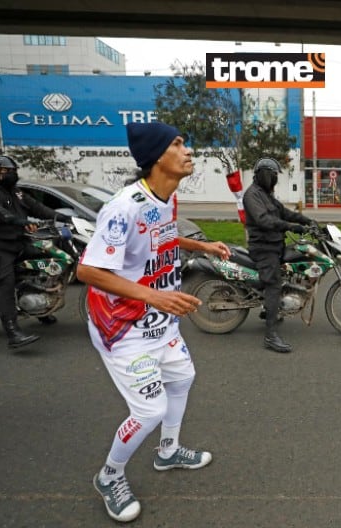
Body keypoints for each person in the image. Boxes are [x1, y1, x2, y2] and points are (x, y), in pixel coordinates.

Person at [77, 122, 232, 523]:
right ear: (157, 157)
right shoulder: (123, 205)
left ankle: (167, 452)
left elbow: (161, 236)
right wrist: (154, 295)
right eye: (178, 144)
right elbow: (89, 271)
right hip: (124, 326)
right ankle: (109, 475)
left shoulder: (166, 198)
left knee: (182, 379)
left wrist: (202, 245)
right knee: (148, 410)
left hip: (160, 322)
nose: (188, 150)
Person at [0, 155, 73, 348]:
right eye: (9, 172)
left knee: (49, 256)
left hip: (17, 242)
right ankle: (13, 331)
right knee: (4, 283)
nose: (13, 175)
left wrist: (65, 218)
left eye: (14, 171)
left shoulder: (14, 191)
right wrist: (20, 221)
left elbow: (37, 208)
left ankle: (41, 307)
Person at [242, 157, 317, 354]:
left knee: (292, 266)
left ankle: (272, 308)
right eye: (272, 175)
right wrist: (292, 227)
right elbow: (264, 220)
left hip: (275, 244)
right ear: (263, 175)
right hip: (263, 247)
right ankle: (270, 336)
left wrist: (307, 221)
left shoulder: (266, 195)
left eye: (275, 176)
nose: (274, 179)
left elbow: (284, 212)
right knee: (274, 283)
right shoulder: (252, 195)